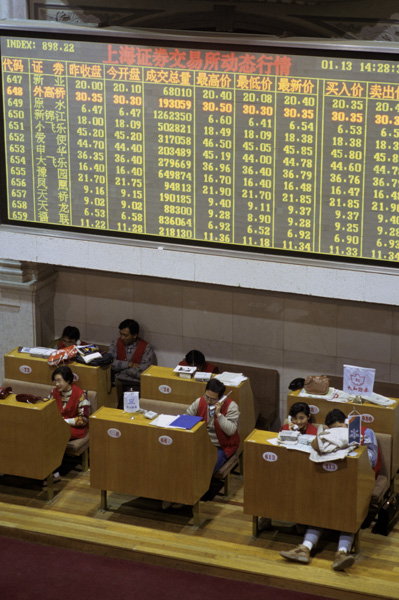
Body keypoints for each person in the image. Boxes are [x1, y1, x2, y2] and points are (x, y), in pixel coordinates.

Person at [280, 408, 380, 571]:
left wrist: (350, 447)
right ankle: (305, 548)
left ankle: (342, 552)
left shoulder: (364, 432)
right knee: (321, 505)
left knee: (347, 509)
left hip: (359, 479)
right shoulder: (328, 435)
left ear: (345, 423)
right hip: (334, 479)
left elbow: (372, 459)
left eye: (340, 428)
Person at [186, 378, 240, 472]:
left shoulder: (231, 406)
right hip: (201, 443)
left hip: (221, 446)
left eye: (213, 399)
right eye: (207, 397)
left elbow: (231, 430)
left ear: (221, 398)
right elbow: (186, 419)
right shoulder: (199, 402)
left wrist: (219, 415)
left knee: (207, 467)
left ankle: (203, 486)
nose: (208, 401)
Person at [48, 366, 91, 482]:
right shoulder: (53, 393)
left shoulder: (81, 394)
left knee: (52, 436)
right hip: (57, 427)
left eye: (59, 381)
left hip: (74, 429)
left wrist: (64, 422)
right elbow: (47, 409)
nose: (56, 384)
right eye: (55, 381)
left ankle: (54, 472)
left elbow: (84, 419)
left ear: (68, 380)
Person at [109, 319, 155, 390]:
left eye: (125, 335)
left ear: (134, 335)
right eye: (121, 334)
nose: (122, 338)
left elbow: (144, 372)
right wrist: (129, 364)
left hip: (136, 383)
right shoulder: (115, 343)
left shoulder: (147, 348)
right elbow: (110, 363)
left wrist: (120, 370)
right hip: (116, 381)